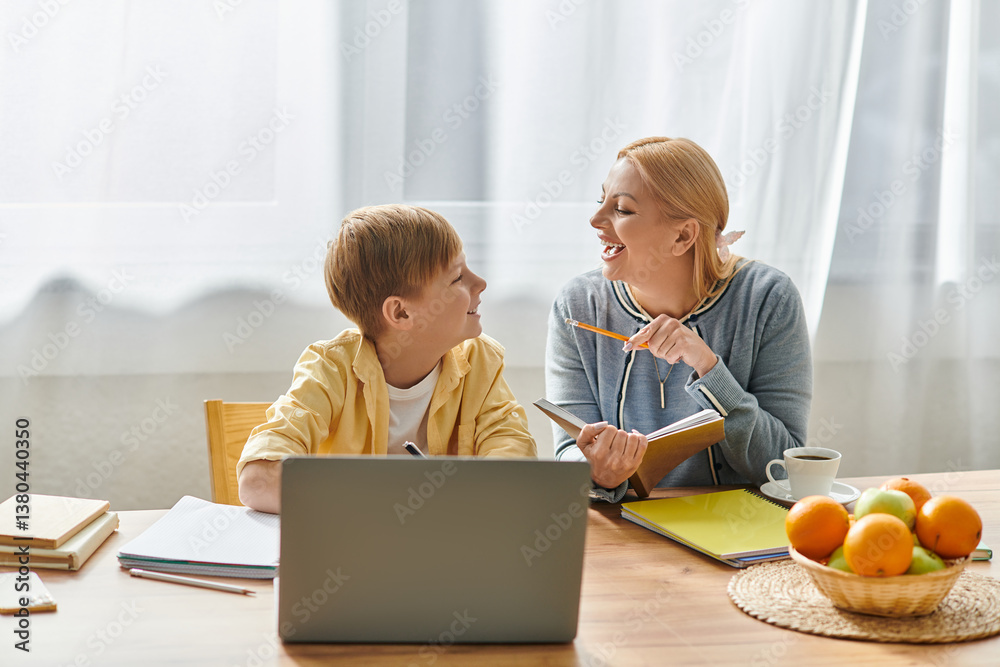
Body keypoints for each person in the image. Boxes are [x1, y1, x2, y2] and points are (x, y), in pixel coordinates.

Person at [546, 137, 811, 502]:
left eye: (622, 209)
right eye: (600, 201)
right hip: (622, 526)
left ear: (683, 235)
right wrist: (595, 470)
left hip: (735, 525)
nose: (595, 220)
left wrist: (708, 367)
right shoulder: (577, 305)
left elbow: (784, 467)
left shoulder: (769, 299)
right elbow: (569, 452)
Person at [238, 204, 537, 513]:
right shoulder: (330, 369)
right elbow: (257, 481)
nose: (480, 283)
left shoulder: (480, 362)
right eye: (458, 277)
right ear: (401, 312)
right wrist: (389, 503)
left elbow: (515, 463)